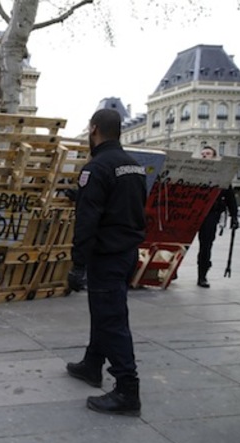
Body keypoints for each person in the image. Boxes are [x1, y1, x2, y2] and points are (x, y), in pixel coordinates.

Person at [66, 109, 147, 417]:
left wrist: (78, 264)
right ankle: (92, 364)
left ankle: (128, 390)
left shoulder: (96, 168)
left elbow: (88, 222)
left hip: (107, 257)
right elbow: (122, 205)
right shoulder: (134, 167)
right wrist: (82, 196)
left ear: (94, 129)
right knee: (105, 313)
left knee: (112, 320)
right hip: (127, 253)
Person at [196, 146, 238, 288]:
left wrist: (234, 216)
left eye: (207, 154)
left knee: (206, 245)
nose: (204, 156)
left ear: (214, 157)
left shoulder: (222, 175)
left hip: (210, 213)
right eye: (202, 154)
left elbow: (230, 197)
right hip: (193, 212)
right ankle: (173, 270)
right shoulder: (194, 172)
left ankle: (202, 275)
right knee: (181, 244)